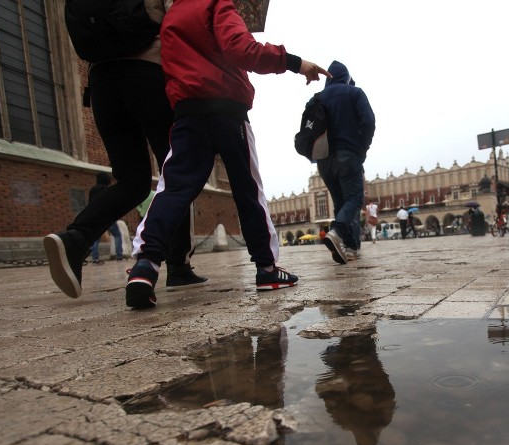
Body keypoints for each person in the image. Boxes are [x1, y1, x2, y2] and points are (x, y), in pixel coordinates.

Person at [125, 0, 330, 308]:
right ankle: (267, 269)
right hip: (227, 111)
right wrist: (296, 63)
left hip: (187, 113)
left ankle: (145, 266)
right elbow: (241, 49)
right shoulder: (216, 3)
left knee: (173, 189)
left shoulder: (170, 18)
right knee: (248, 190)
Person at [44, 0, 206, 300]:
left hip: (102, 85)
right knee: (177, 173)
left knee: (132, 181)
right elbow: (181, 24)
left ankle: (76, 238)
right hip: (149, 77)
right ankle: (178, 265)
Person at [316, 61, 376, 264]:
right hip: (348, 154)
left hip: (323, 160)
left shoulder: (318, 98)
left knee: (340, 202)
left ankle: (350, 248)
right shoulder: (354, 93)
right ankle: (337, 231)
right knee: (354, 199)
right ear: (346, 77)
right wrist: (362, 149)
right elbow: (368, 121)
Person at [86, 172, 123, 263]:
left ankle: (95, 258)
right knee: (117, 235)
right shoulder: (108, 189)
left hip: (96, 217)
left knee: (96, 238)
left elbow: (90, 203)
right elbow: (113, 203)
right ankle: (119, 256)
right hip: (108, 216)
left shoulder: (93, 190)